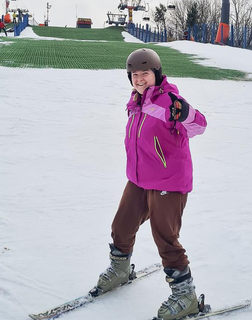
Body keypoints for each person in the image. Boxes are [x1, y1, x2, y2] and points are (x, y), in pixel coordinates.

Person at [92, 48, 207, 320]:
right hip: (139, 180)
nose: (140, 79)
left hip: (169, 181)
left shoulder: (170, 101)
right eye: (134, 74)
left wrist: (186, 112)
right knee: (121, 226)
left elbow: (199, 125)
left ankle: (185, 295)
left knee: (165, 236)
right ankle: (120, 270)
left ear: (156, 73)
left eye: (145, 73)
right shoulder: (136, 103)